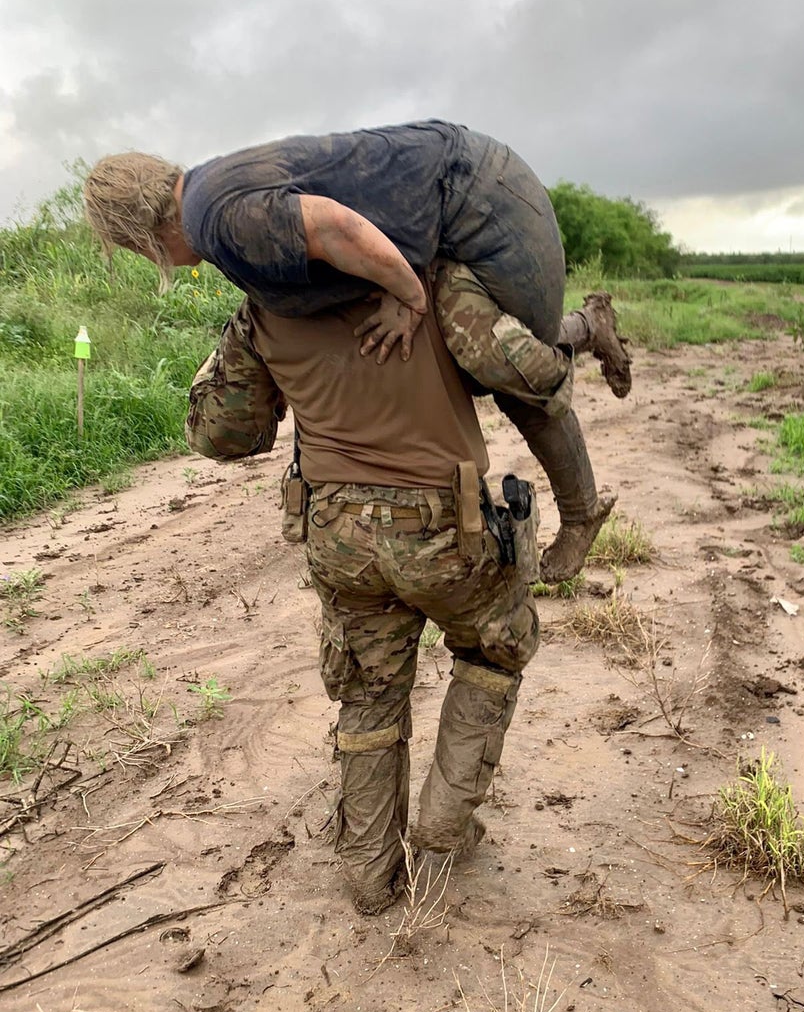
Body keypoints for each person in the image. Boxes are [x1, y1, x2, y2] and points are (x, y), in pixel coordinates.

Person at [186, 263, 576, 914]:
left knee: (368, 689)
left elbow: (219, 433)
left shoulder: (269, 298)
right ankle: (445, 823)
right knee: (493, 651)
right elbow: (533, 376)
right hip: (448, 532)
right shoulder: (433, 278)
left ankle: (370, 873)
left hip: (337, 535)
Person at [84, 123, 633, 580]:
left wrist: (410, 298)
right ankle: (588, 329)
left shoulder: (213, 217)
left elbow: (332, 227)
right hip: (461, 194)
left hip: (478, 195)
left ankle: (582, 509)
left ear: (139, 232)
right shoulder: (210, 198)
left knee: (505, 365)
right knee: (481, 354)